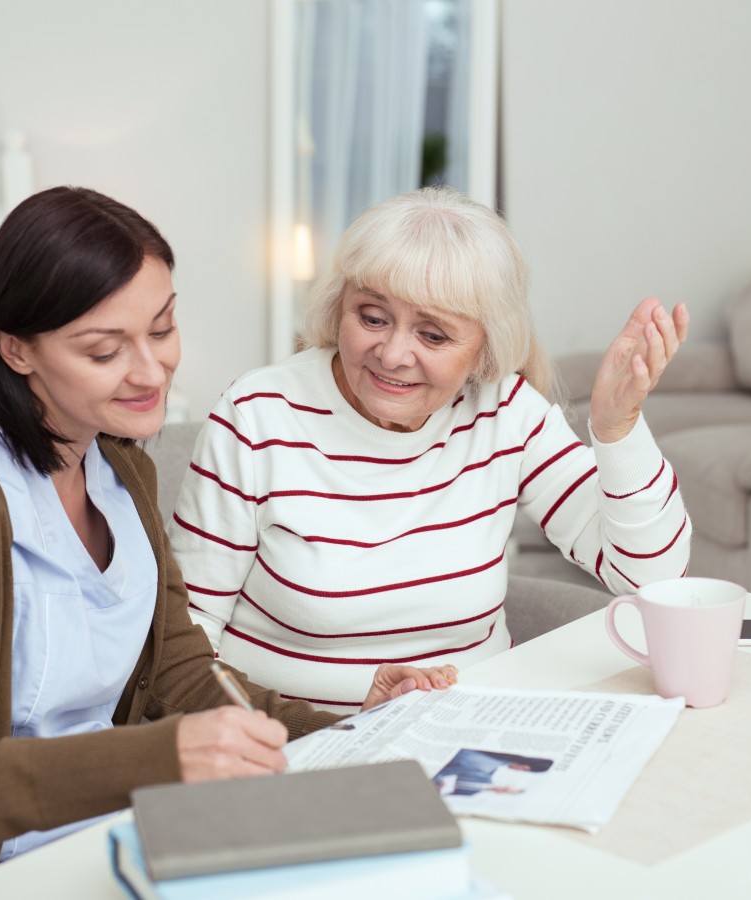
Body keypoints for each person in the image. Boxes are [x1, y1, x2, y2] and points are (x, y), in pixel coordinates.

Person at [0, 186, 453, 900]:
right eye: (105, 349)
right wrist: (149, 758)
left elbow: (184, 673)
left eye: (162, 328)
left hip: (113, 845)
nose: (150, 372)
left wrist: (348, 730)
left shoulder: (117, 465)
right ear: (16, 348)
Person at [170, 186, 692, 712]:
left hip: (474, 730)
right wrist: (280, 734)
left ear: (485, 349)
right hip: (299, 742)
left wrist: (617, 427)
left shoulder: (503, 410)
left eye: (434, 336)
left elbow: (651, 576)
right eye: (372, 317)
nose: (394, 354)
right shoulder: (257, 413)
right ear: (339, 307)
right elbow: (187, 635)